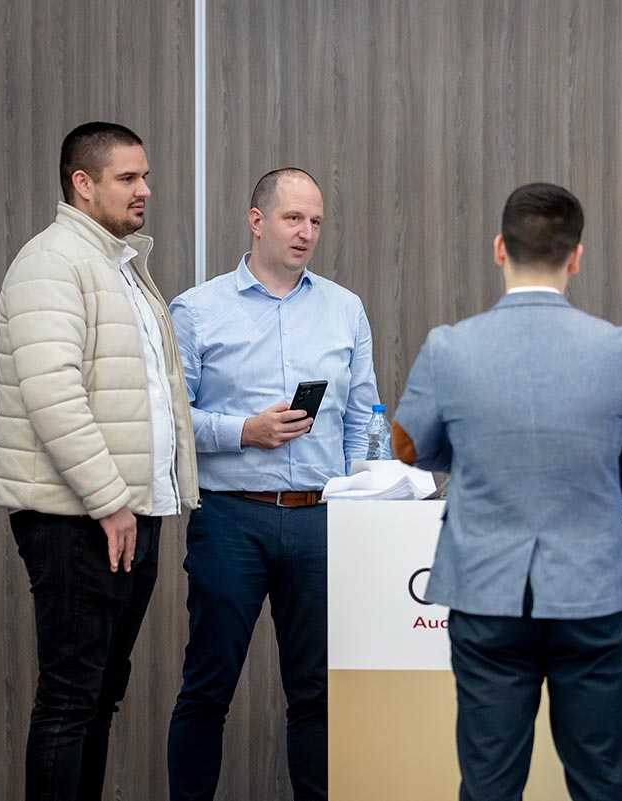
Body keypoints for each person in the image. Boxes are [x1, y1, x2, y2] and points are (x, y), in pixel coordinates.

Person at [392, 183, 622, 801]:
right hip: (592, 588)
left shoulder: (449, 346)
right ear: (576, 256)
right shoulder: (618, 347)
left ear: (499, 248)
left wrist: (470, 461)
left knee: (488, 784)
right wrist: (601, 484)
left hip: (486, 590)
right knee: (602, 784)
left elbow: (408, 447)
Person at [0, 121, 200, 801]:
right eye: (127, 178)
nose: (145, 190)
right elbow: (53, 395)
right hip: (78, 519)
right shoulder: (52, 262)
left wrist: (143, 501)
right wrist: (110, 501)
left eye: (145, 177)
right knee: (70, 698)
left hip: (128, 514)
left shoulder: (120, 267)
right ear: (82, 183)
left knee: (100, 694)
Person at [166, 167, 378, 801]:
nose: (306, 232)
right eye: (293, 218)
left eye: (316, 221)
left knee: (318, 694)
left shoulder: (345, 308)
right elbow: (170, 421)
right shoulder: (197, 310)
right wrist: (245, 432)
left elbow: (363, 419)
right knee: (207, 690)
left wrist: (361, 500)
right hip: (231, 520)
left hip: (320, 521)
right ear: (257, 221)